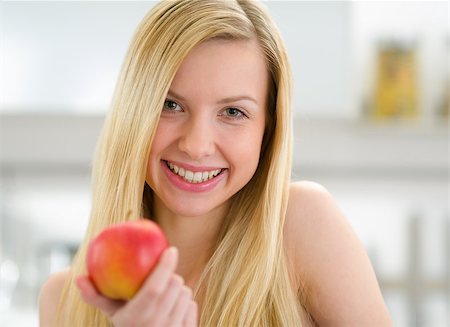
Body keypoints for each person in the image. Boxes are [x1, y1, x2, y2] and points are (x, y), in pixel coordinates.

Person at [39, 0, 393, 326]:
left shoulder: (302, 225)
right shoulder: (64, 302)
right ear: (134, 111)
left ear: (267, 130)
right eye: (170, 105)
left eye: (233, 112)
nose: (196, 145)